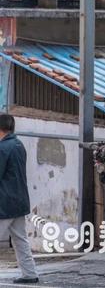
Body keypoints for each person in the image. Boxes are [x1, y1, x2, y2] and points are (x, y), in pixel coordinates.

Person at [0, 114, 39, 284]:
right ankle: (30, 273)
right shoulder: (18, 145)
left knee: (19, 239)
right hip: (19, 201)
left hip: (4, 203)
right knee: (20, 239)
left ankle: (29, 274)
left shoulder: (2, 148)